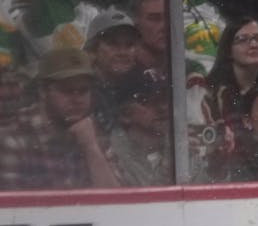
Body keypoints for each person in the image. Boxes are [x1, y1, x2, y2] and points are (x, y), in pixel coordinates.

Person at [0, 46, 117, 189]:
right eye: (67, 90)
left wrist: (91, 148)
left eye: (83, 90)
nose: (77, 99)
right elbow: (14, 209)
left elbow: (117, 204)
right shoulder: (14, 138)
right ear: (43, 91)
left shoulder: (93, 134)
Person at [106, 68, 172, 187]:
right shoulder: (109, 155)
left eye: (165, 98)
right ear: (124, 114)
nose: (162, 108)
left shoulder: (182, 146)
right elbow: (151, 200)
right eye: (146, 100)